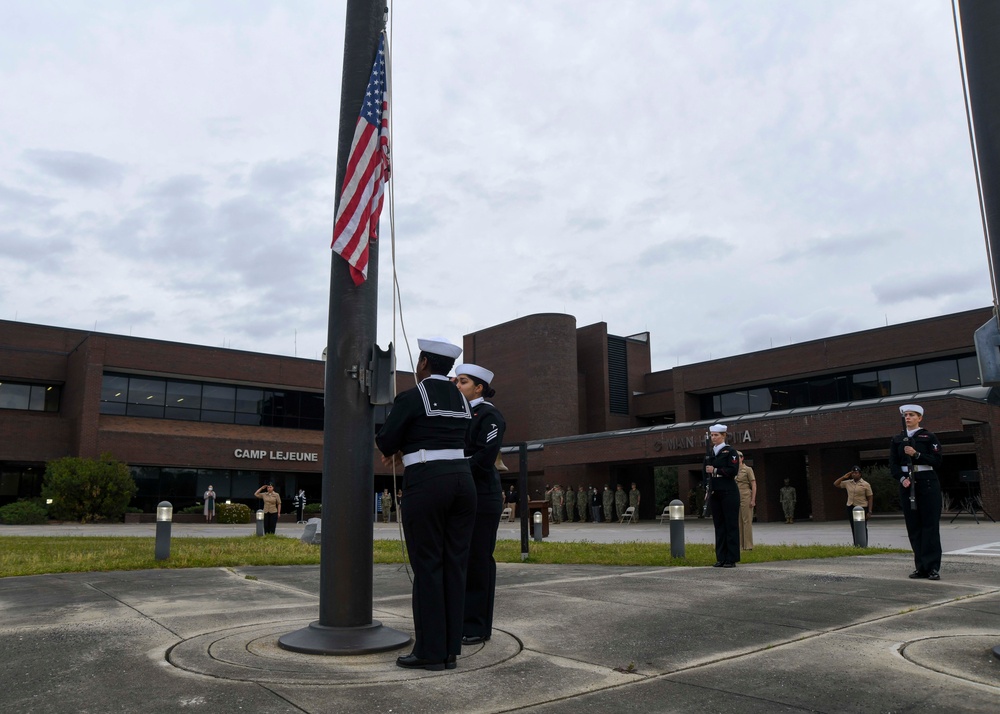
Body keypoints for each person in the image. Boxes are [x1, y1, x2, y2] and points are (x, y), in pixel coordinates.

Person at [375, 337, 476, 671]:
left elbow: (386, 440)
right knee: (454, 564)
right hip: (464, 482)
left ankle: (430, 652)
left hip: (428, 483)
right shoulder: (462, 400)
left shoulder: (413, 395)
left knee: (429, 565)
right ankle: (449, 650)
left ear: (422, 364)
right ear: (447, 367)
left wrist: (401, 443)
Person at [453, 363, 506, 646]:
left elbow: (484, 457)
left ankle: (476, 626)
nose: (457, 386)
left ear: (479, 387)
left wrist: (452, 470)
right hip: (460, 494)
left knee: (477, 561)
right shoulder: (457, 414)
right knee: (459, 560)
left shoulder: (489, 415)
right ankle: (460, 620)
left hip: (482, 496)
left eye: (463, 382)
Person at [890, 403, 943, 580]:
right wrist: (901, 478)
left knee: (930, 526)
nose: (908, 418)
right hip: (907, 484)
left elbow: (937, 460)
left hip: (927, 482)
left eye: (912, 415)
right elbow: (893, 465)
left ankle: (933, 567)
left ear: (919, 418)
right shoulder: (898, 439)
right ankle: (920, 567)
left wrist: (916, 454)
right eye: (906, 415)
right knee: (914, 526)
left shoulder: (929, 437)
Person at [705, 424, 740, 568]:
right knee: (719, 526)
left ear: (723, 436)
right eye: (712, 435)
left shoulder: (730, 451)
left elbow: (733, 470)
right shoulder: (710, 453)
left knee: (730, 526)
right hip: (715, 492)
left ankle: (731, 558)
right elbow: (705, 473)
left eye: (716, 435)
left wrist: (715, 470)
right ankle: (721, 557)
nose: (713, 438)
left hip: (728, 492)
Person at [834, 466, 872, 538]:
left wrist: (869, 511)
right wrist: (844, 477)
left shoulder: (865, 484)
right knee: (853, 526)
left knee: (861, 526)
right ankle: (856, 544)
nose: (854, 474)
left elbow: (870, 498)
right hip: (851, 507)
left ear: (860, 474)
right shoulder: (848, 483)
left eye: (856, 473)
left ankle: (863, 543)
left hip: (861, 507)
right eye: (853, 473)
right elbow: (836, 484)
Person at [735, 452, 756, 551]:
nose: (735, 459)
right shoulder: (733, 470)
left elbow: (754, 485)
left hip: (746, 495)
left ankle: (748, 546)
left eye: (737, 457)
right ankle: (740, 545)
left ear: (742, 458)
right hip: (735, 496)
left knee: (746, 521)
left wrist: (753, 499)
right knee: (738, 522)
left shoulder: (747, 469)